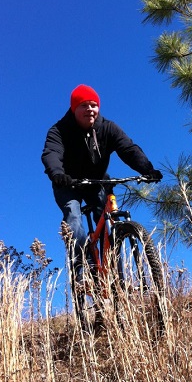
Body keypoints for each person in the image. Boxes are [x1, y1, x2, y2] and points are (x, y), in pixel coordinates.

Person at [41, 84, 162, 283]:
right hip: (67, 183)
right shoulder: (59, 130)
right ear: (74, 109)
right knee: (73, 217)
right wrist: (57, 173)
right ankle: (84, 272)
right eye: (84, 105)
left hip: (96, 182)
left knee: (110, 224)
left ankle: (115, 276)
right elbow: (51, 153)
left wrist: (147, 169)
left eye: (93, 105)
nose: (90, 109)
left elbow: (128, 149)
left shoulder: (107, 128)